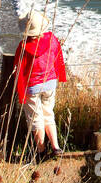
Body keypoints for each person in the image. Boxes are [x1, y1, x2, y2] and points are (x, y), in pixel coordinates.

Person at [13, 9, 67, 156]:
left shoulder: (23, 46)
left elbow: (18, 68)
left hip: (32, 87)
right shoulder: (51, 39)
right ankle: (56, 148)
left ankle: (41, 151)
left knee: (36, 119)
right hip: (49, 83)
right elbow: (58, 56)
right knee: (48, 114)